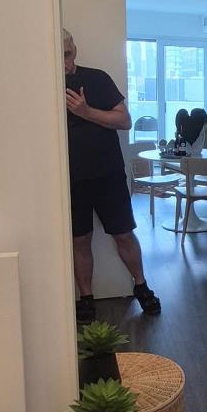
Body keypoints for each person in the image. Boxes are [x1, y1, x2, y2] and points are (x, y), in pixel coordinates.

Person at [62, 29, 161, 323]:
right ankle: (86, 298)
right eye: (57, 56)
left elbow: (125, 120)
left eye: (67, 54)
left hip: (108, 173)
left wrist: (85, 111)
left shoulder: (97, 79)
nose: (64, 62)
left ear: (75, 50)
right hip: (68, 179)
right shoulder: (41, 84)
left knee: (124, 234)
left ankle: (141, 286)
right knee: (80, 240)